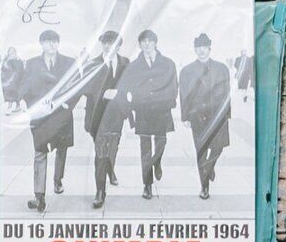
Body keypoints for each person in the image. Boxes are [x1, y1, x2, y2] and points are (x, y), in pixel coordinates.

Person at [3, 26, 78, 211]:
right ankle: (39, 197)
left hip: (62, 114)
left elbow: (76, 86)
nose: (52, 44)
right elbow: (25, 85)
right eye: (48, 41)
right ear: (42, 44)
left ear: (58, 43)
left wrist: (67, 105)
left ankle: (57, 179)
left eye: (55, 41)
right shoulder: (32, 63)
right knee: (40, 153)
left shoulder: (69, 62)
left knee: (61, 150)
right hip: (41, 116)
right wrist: (28, 105)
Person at [178, 31, 242, 201]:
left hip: (217, 115)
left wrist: (227, 113)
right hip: (197, 116)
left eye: (204, 47)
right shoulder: (187, 71)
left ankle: (209, 167)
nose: (201, 51)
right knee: (201, 151)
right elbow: (183, 94)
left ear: (209, 48)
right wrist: (185, 116)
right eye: (198, 48)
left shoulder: (221, 68)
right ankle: (204, 186)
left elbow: (227, 92)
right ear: (194, 50)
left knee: (218, 147)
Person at [122, 28, 182, 198]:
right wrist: (132, 103)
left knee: (162, 141)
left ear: (156, 43)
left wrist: (169, 102)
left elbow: (174, 85)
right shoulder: (134, 66)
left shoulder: (168, 63)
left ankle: (156, 162)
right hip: (143, 111)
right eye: (143, 41)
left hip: (162, 109)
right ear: (140, 45)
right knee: (145, 147)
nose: (147, 44)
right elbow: (128, 86)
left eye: (150, 41)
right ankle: (147, 184)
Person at [79, 28, 130, 210]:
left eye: (112, 42)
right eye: (105, 42)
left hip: (117, 115)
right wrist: (103, 94)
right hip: (97, 117)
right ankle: (100, 191)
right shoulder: (92, 64)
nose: (108, 46)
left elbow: (130, 84)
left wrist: (120, 93)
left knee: (113, 147)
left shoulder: (125, 63)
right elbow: (85, 88)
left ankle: (110, 170)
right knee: (101, 152)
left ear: (118, 45)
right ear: (102, 44)